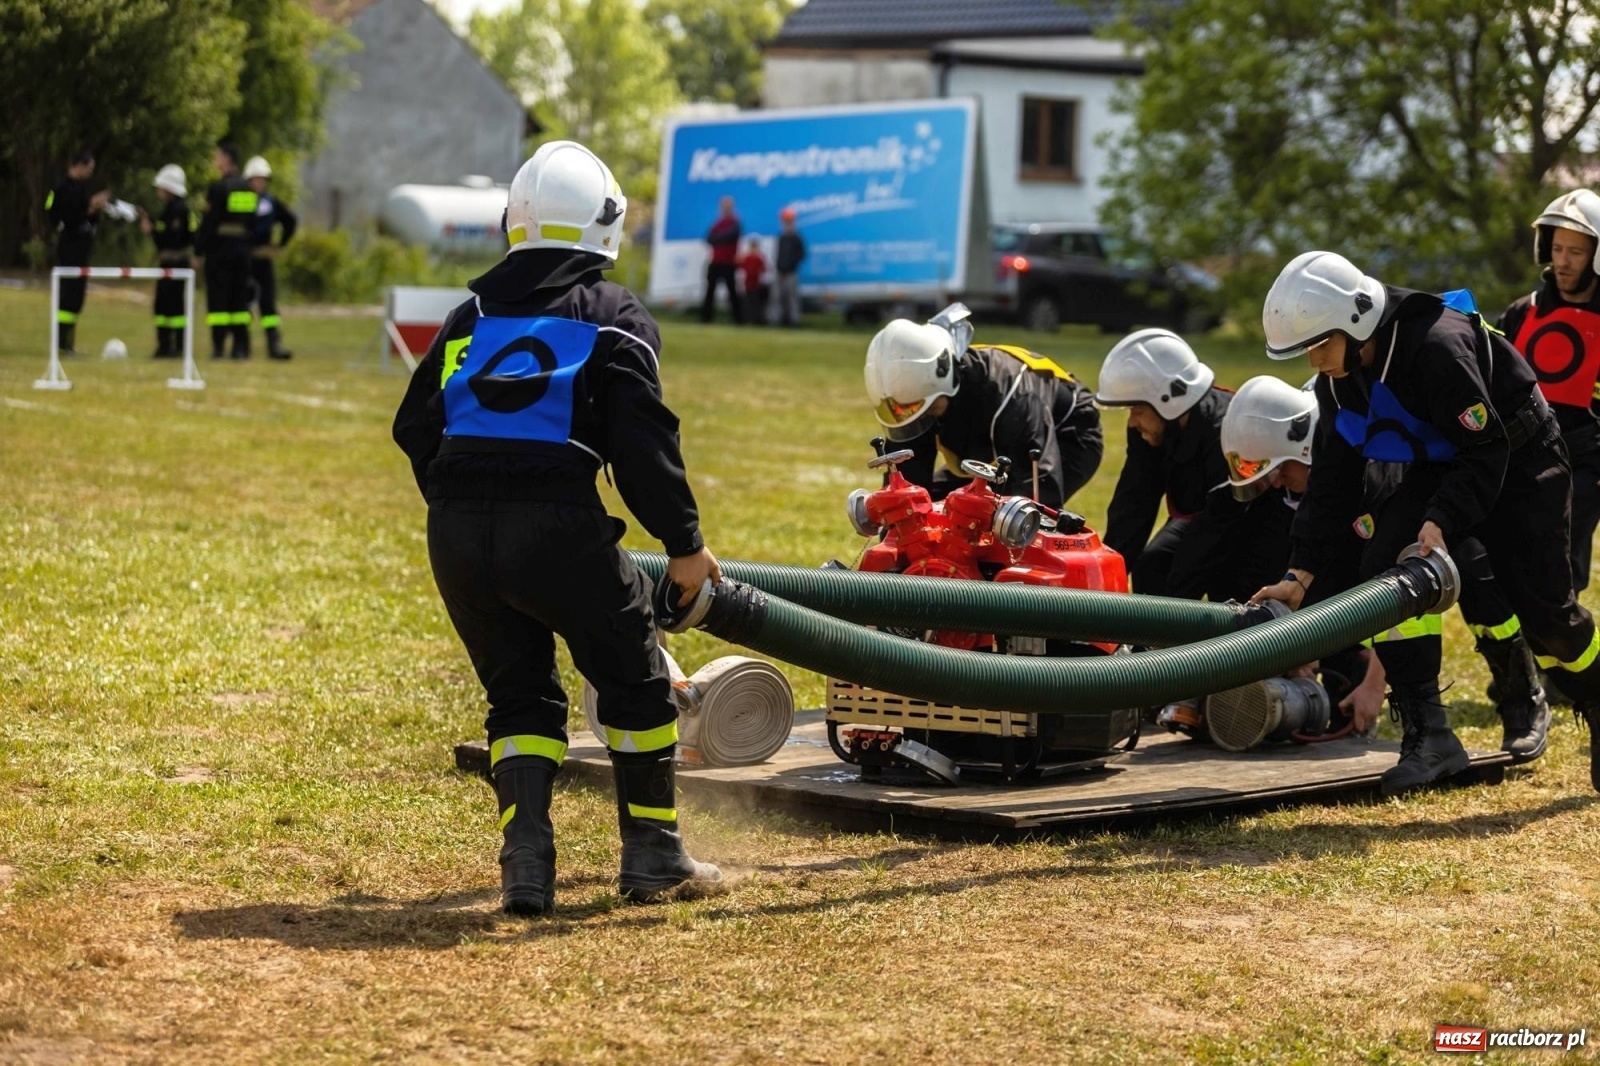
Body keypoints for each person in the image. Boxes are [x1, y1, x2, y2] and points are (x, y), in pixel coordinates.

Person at [392, 140, 725, 915]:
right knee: (638, 682)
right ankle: (653, 855)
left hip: (457, 534)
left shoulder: (470, 315)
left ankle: (527, 866)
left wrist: (464, 506)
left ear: (517, 222)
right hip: (559, 528)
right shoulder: (613, 315)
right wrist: (684, 543)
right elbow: (644, 446)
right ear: (605, 225)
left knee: (520, 700)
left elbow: (416, 427)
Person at [1253, 250, 1600, 794]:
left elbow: (1485, 448)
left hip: (1519, 458)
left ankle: (1595, 698)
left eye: (1319, 345)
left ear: (1356, 322)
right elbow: (1332, 483)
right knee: (1387, 573)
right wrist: (1300, 573)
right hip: (1443, 465)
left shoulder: (1436, 345)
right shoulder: (1338, 379)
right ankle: (1431, 736)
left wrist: (1441, 520)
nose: (1314, 360)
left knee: (1548, 618)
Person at [863, 305, 1102, 509]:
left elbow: (1037, 490)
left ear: (947, 379)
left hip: (1069, 433)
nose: (921, 418)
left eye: (928, 408)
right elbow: (909, 485)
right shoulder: (917, 394)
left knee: (1001, 518)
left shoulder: (1009, 393)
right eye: (910, 411)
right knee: (932, 507)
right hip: (993, 442)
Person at [1498, 190, 1600, 591]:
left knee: (1562, 571)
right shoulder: (1522, 313)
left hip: (1586, 462)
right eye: (1557, 248)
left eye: (1575, 251)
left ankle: (1566, 650)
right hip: (1522, 457)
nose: (1562, 260)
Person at [1095, 329, 1236, 597]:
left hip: (1246, 525)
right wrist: (1105, 581)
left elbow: (1221, 523)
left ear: (1170, 403)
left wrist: (1174, 602)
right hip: (1204, 519)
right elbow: (1133, 503)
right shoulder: (1149, 430)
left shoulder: (1226, 432)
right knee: (1152, 567)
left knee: (1225, 586)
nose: (1132, 422)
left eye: (1137, 410)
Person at [194, 144, 258, 360]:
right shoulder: (248, 189)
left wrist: (198, 249)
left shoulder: (218, 188)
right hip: (242, 250)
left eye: (218, 156)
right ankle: (241, 346)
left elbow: (209, 222)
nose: (215, 160)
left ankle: (219, 346)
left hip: (220, 251)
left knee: (219, 300)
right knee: (240, 300)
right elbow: (252, 221)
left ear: (227, 159)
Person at [46, 151, 110, 355]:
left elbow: (87, 219)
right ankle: (60, 341)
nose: (90, 172)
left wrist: (95, 212)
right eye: (89, 168)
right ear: (79, 165)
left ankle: (68, 342)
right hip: (69, 249)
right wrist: (90, 208)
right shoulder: (62, 189)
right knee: (68, 294)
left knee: (76, 296)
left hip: (82, 250)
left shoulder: (80, 190)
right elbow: (61, 217)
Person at [243, 155, 298, 361]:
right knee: (245, 303)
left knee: (268, 304)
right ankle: (243, 346)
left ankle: (274, 345)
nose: (259, 183)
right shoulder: (243, 199)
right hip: (245, 260)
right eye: (255, 179)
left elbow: (290, 221)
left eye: (262, 179)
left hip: (263, 259)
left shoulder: (271, 202)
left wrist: (280, 244)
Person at [140, 165, 192, 359]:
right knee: (162, 306)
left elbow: (173, 239)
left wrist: (151, 231)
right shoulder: (170, 209)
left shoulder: (179, 210)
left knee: (174, 306)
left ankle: (176, 346)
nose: (158, 191)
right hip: (168, 264)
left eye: (160, 187)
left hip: (176, 264)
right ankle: (165, 345)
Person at [700, 195, 742, 324]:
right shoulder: (717, 224)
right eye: (724, 206)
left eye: (728, 206)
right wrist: (719, 240)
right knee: (710, 291)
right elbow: (709, 239)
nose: (726, 208)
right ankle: (706, 317)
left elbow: (730, 236)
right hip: (716, 262)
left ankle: (738, 318)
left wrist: (718, 240)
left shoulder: (735, 222)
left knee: (732, 292)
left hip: (729, 262)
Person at [774, 207, 805, 327]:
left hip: (791, 271)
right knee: (778, 297)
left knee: (792, 297)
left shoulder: (796, 237)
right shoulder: (781, 236)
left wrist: (792, 264)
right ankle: (778, 319)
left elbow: (801, 254)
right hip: (780, 270)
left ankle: (794, 320)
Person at [738, 237, 768, 327]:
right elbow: (740, 266)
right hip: (747, 284)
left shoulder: (758, 258)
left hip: (756, 285)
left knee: (755, 303)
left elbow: (764, 269)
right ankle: (748, 319)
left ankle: (755, 319)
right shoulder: (746, 258)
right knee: (747, 303)